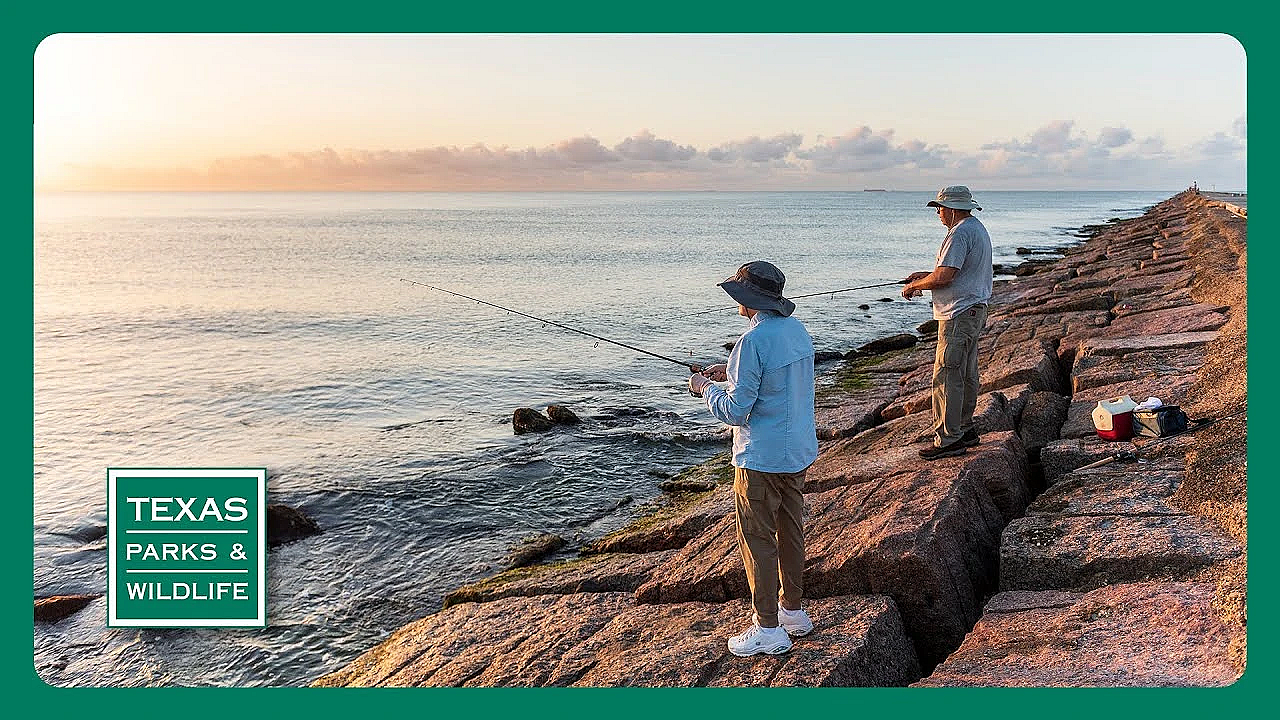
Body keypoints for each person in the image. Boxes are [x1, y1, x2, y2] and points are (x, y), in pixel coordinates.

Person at [687, 261, 818, 657]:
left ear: (749, 299)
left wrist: (705, 388)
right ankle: (793, 611)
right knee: (790, 531)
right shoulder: (797, 331)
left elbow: (735, 411)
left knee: (758, 540)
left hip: (761, 458)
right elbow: (776, 386)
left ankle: (768, 628)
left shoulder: (752, 342)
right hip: (797, 451)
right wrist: (728, 373)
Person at [901, 185, 993, 460]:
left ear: (952, 209)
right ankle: (965, 429)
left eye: (939, 208)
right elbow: (952, 271)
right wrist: (924, 276)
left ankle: (948, 439)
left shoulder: (959, 233)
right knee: (965, 373)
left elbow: (944, 278)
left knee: (947, 376)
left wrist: (914, 286)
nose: (938, 213)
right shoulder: (976, 228)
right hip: (973, 310)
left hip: (958, 314)